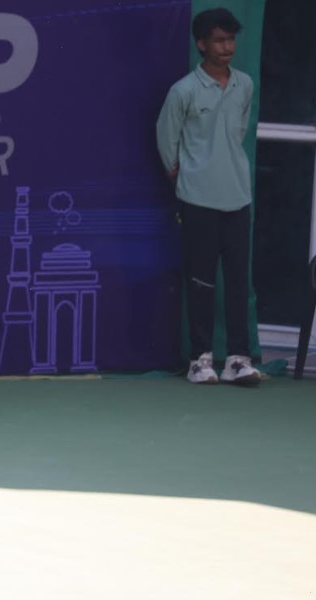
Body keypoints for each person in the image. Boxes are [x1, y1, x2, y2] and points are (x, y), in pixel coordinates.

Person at [156, 7, 261, 386]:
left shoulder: (244, 84)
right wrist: (186, 178)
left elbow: (238, 131)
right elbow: (167, 140)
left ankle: (237, 360)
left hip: (238, 196)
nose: (227, 47)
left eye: (231, 40)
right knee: (201, 282)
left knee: (237, 280)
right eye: (219, 40)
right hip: (197, 199)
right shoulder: (183, 90)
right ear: (201, 44)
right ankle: (200, 361)